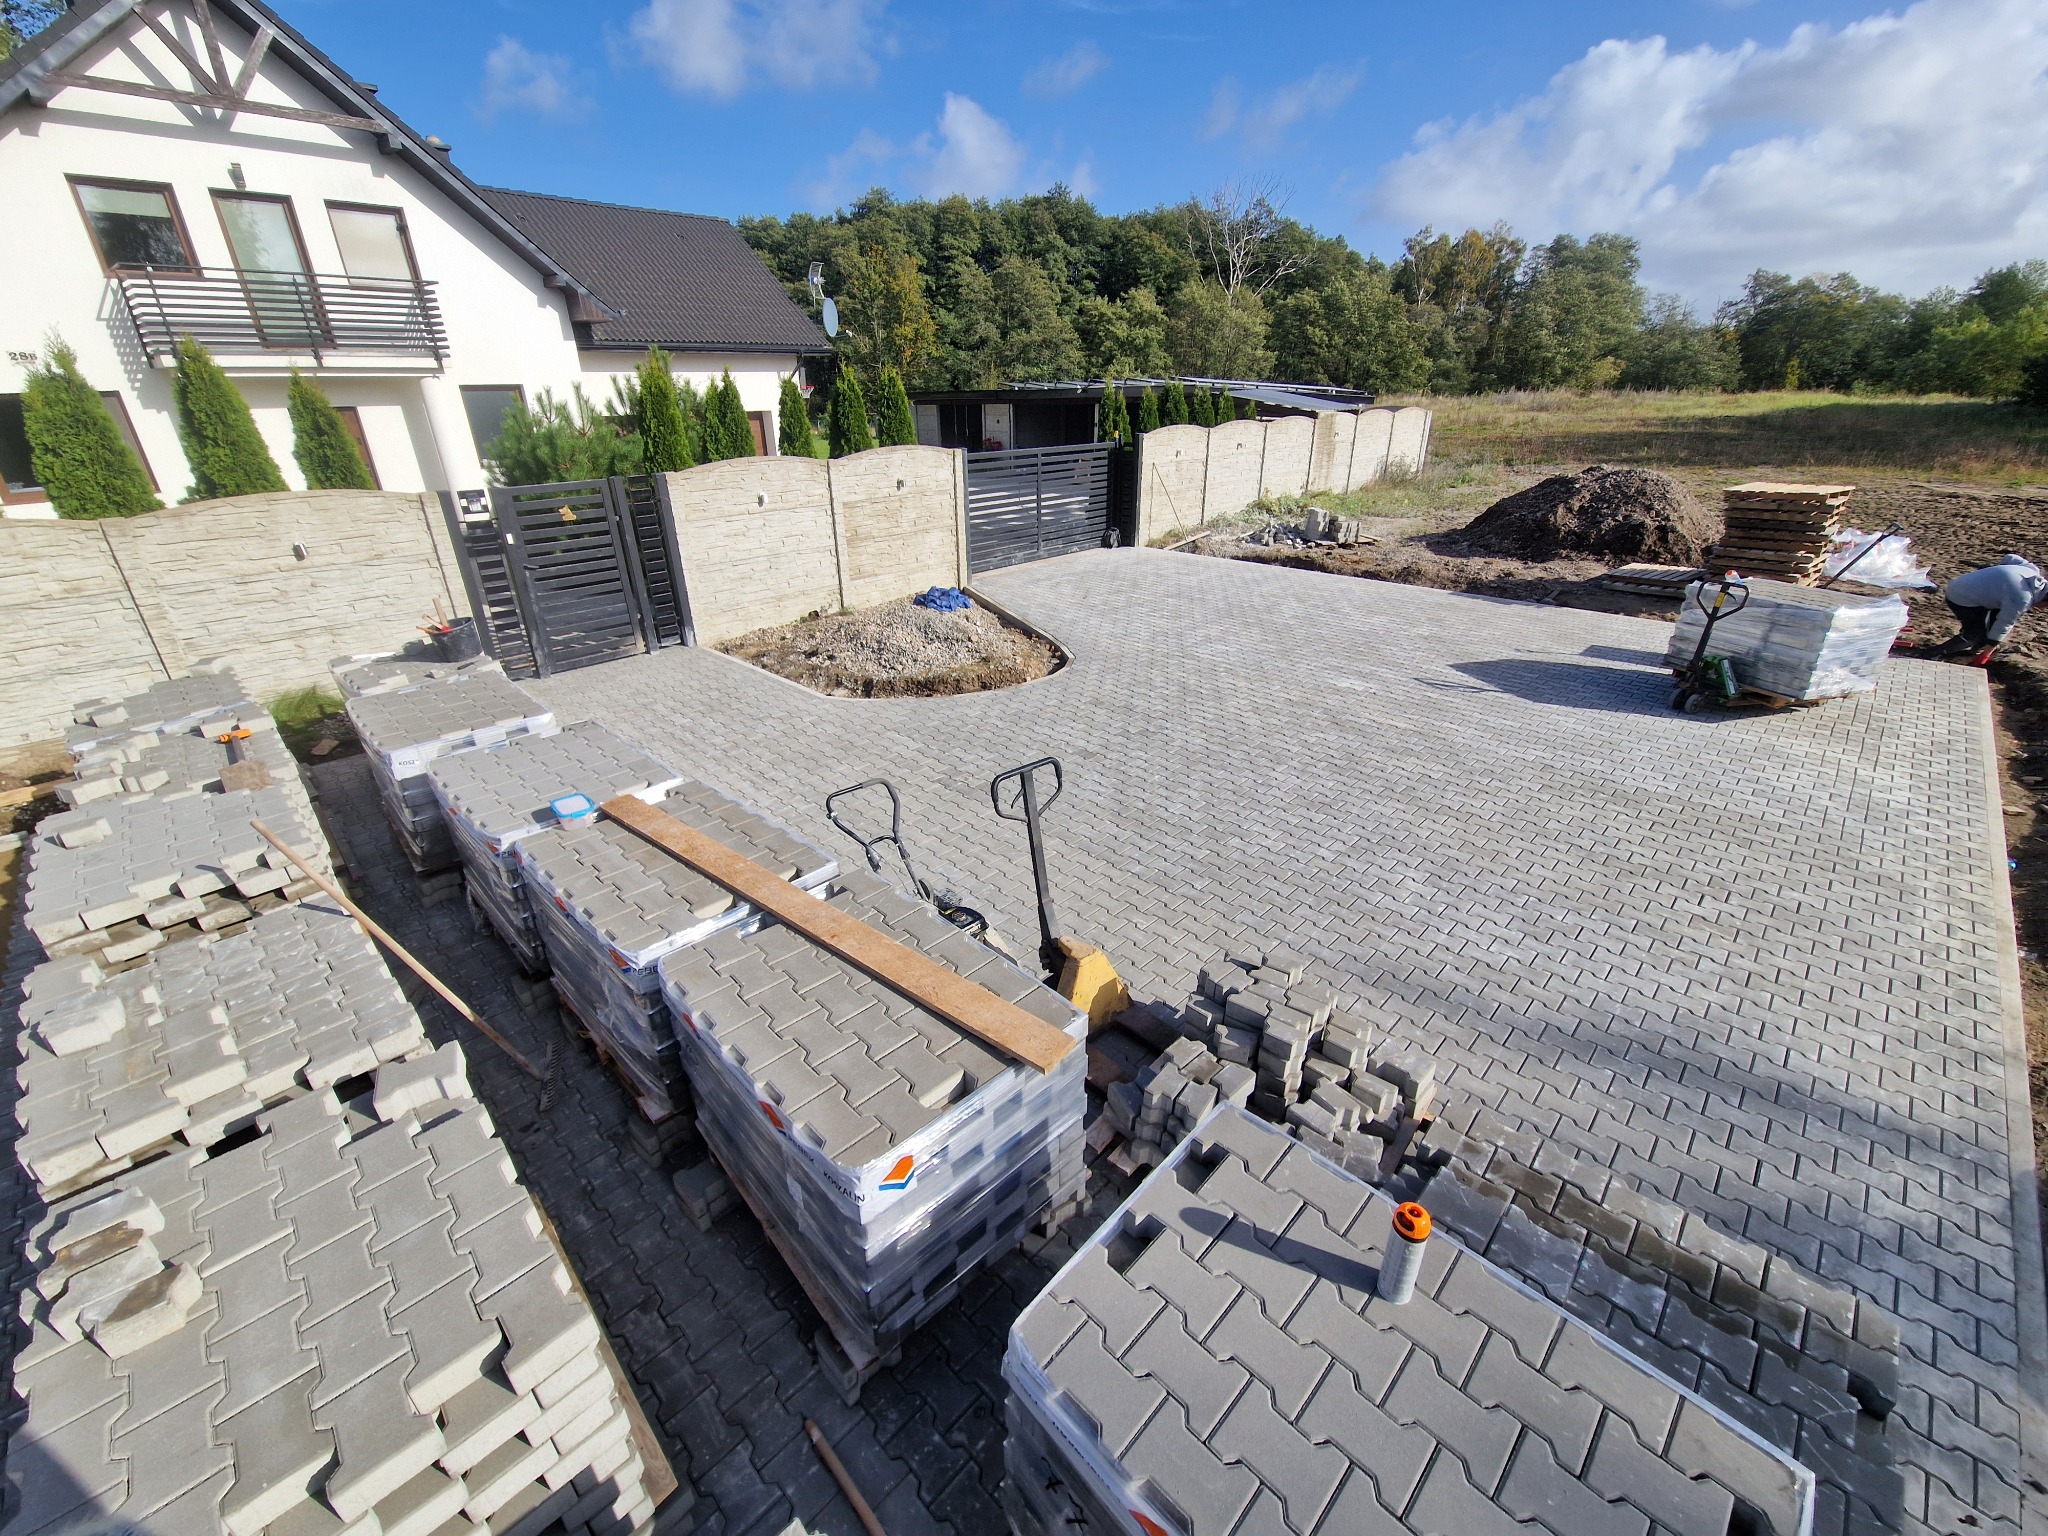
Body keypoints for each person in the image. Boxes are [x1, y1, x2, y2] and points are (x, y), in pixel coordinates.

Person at [1931, 554, 2048, 658]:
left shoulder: (2032, 572)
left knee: (1993, 622)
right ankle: (1931, 654)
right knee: (1975, 634)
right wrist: (1986, 654)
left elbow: (2011, 557)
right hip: (1960, 597)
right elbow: (2005, 623)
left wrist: (1998, 573)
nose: (2039, 609)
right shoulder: (2022, 598)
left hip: (1965, 584)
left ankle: (1973, 647)